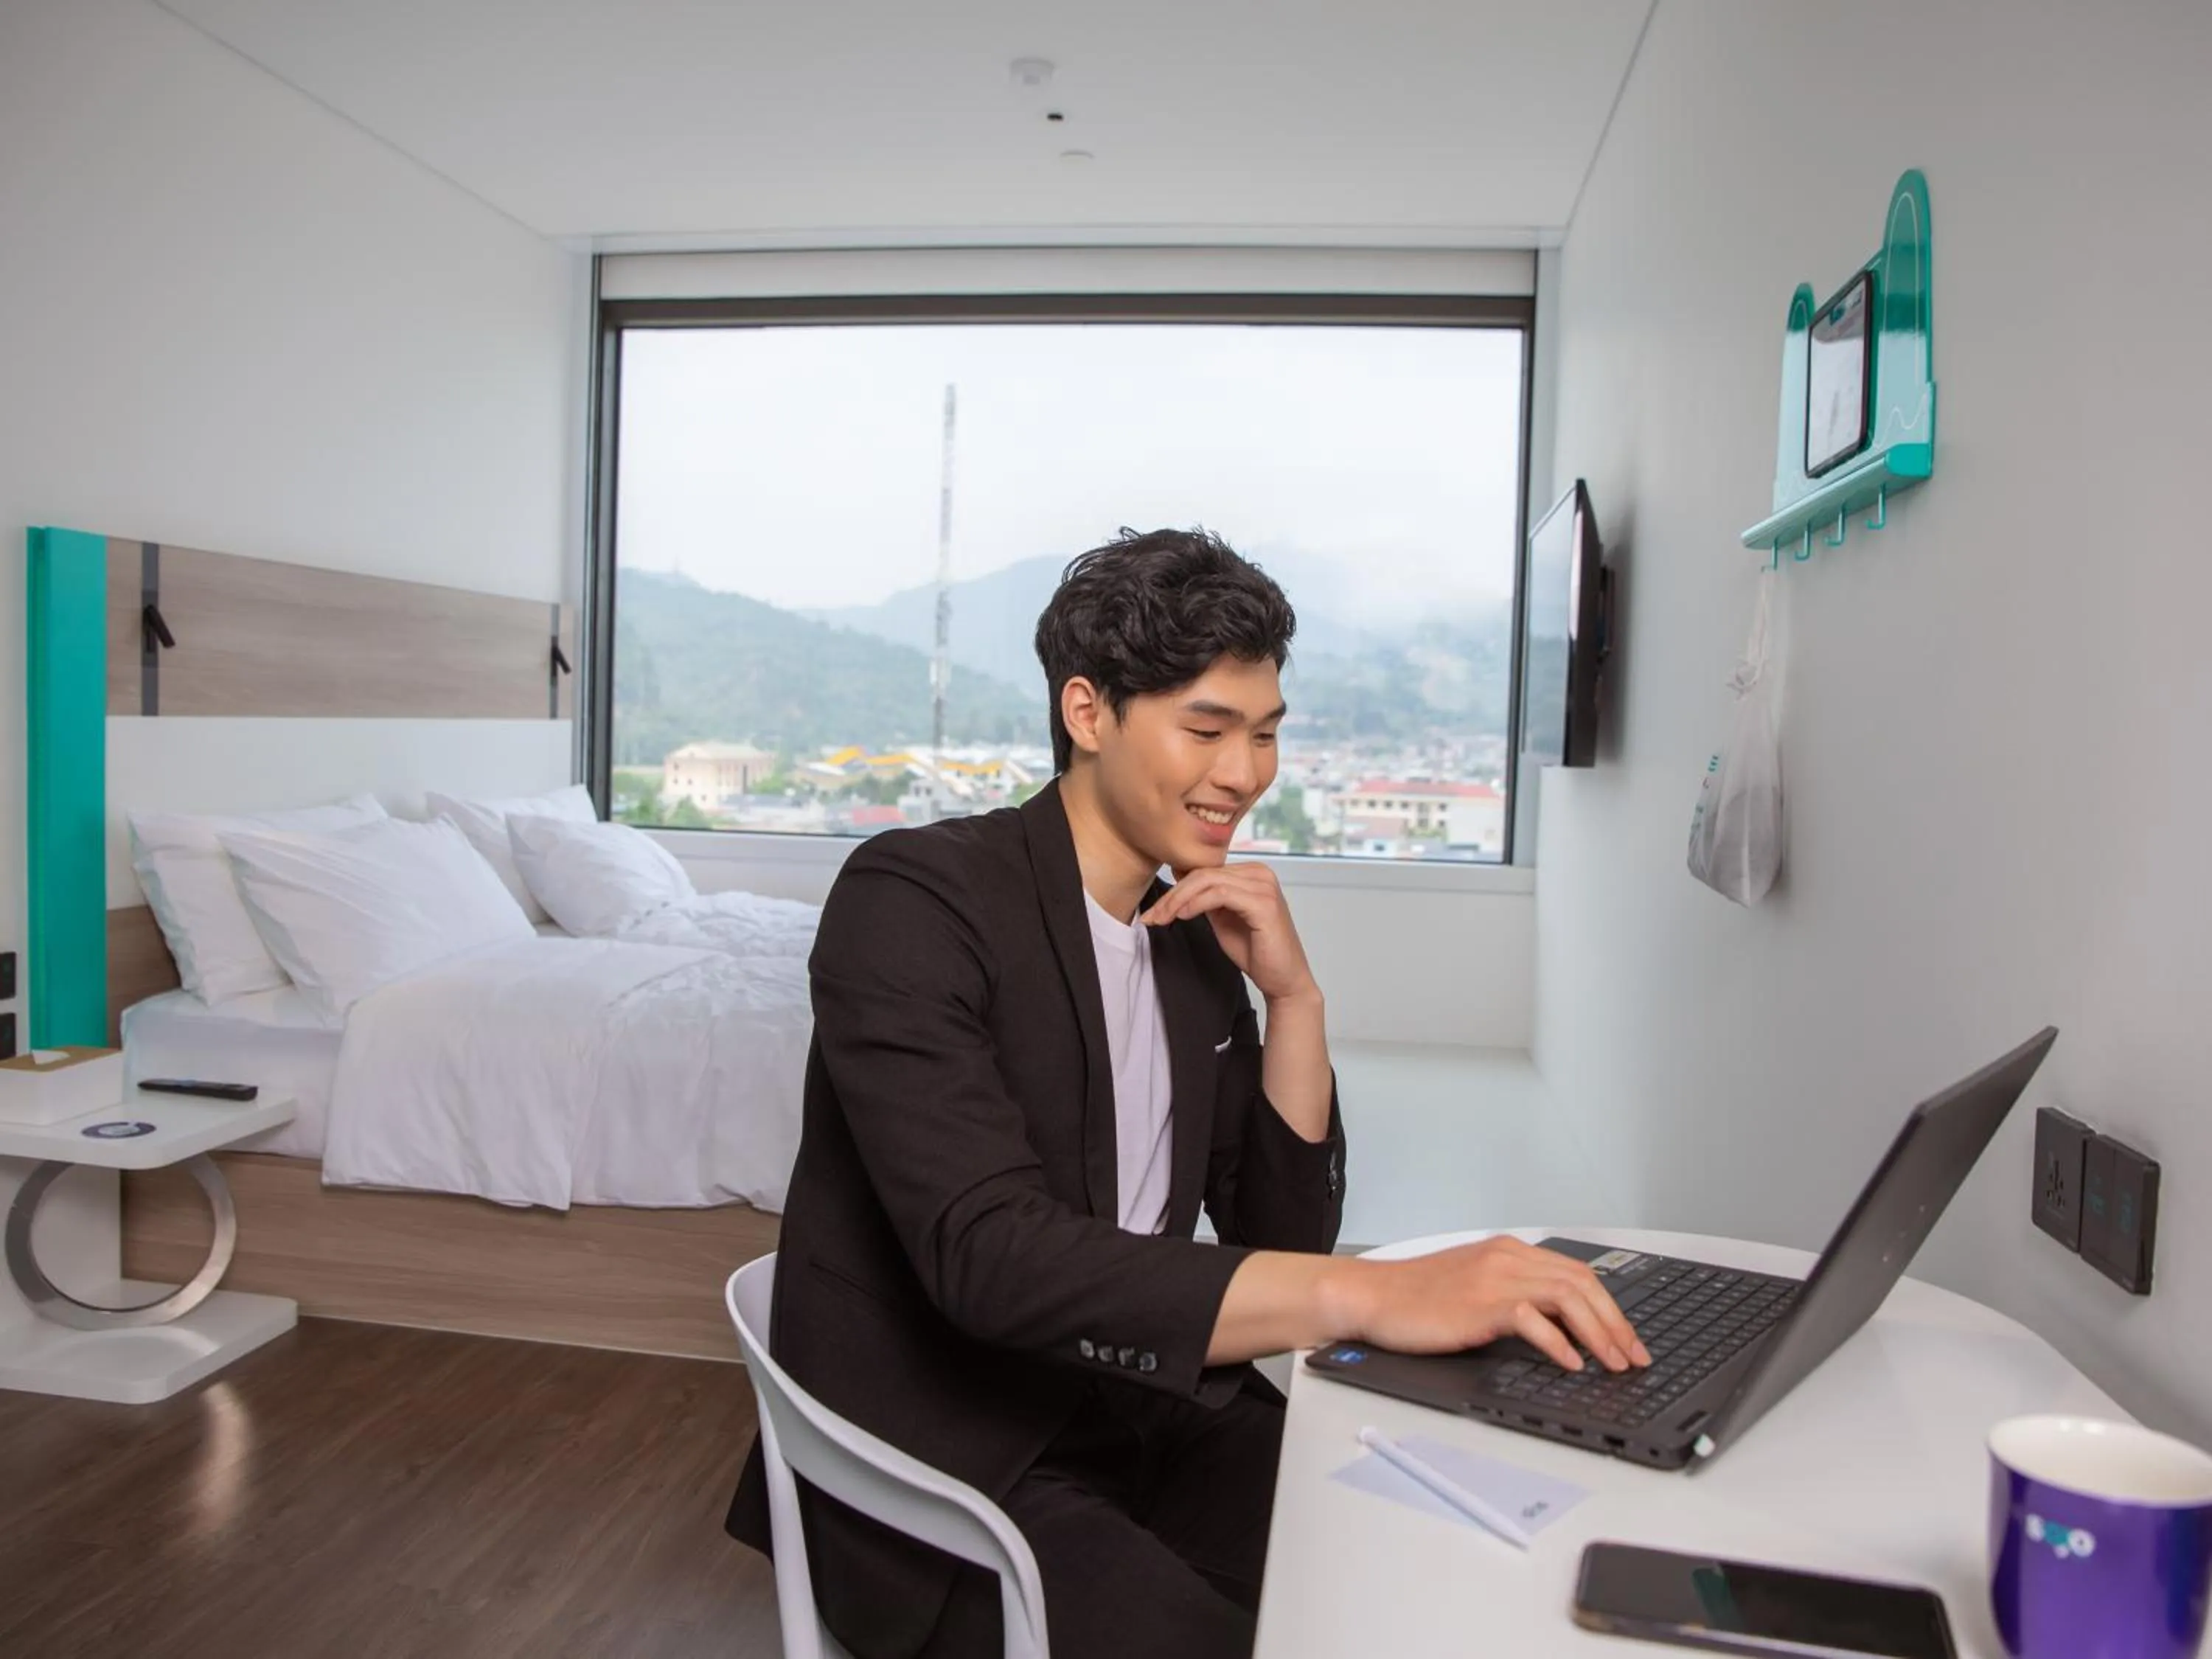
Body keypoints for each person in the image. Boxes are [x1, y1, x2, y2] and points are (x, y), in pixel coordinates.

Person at [726, 527, 1647, 1659]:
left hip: (1142, 1401)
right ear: (1087, 711)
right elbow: (991, 1256)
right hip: (958, 1450)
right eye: (1207, 729)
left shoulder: (1191, 935)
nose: (1246, 773)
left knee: (1451, 1558)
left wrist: (1295, 999)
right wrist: (1372, 1294)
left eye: (1264, 733)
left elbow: (1279, 1233)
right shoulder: (914, 898)